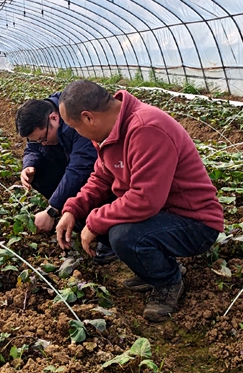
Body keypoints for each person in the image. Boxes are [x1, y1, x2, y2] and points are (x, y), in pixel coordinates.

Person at [55, 80, 224, 322]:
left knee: (124, 236)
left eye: (75, 127)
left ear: (88, 118)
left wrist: (95, 222)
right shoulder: (109, 133)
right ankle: (151, 267)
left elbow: (145, 199)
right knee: (92, 217)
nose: (77, 134)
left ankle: (169, 281)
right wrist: (73, 209)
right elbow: (100, 178)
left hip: (194, 222)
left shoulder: (146, 128)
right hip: (162, 215)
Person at [15, 93, 117, 265]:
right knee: (38, 173)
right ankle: (75, 217)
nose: (42, 143)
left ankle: (107, 237)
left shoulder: (75, 120)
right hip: (70, 162)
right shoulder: (42, 118)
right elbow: (32, 147)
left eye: (43, 139)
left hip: (102, 172)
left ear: (54, 118)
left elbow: (80, 169)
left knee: (87, 185)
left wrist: (52, 209)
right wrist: (28, 165)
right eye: (38, 140)